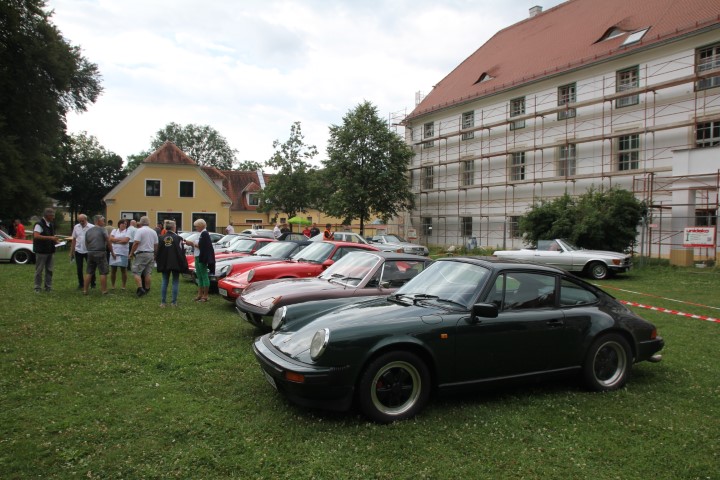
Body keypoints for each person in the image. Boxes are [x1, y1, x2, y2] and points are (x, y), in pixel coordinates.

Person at [156, 220, 187, 307]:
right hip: (175, 262)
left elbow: (159, 251)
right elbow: (181, 252)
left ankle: (163, 302)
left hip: (165, 262)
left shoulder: (161, 238)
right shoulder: (178, 238)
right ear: (174, 227)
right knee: (175, 281)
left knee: (165, 281)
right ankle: (173, 302)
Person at [83, 215, 116, 295]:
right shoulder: (103, 230)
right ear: (98, 221)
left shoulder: (88, 231)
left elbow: (86, 242)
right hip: (100, 252)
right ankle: (104, 291)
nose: (104, 222)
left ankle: (85, 290)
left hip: (90, 252)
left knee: (89, 272)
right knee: (103, 272)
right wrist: (112, 252)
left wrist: (89, 249)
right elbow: (108, 242)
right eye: (103, 221)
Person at [185, 218, 215, 302]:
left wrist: (191, 243)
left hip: (202, 257)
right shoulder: (201, 233)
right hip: (197, 256)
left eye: (197, 226)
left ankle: (205, 295)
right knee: (199, 276)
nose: (196, 228)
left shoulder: (204, 234)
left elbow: (203, 246)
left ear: (201, 226)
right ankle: (199, 294)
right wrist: (193, 244)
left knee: (204, 276)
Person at [130, 216, 159, 297]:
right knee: (148, 273)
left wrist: (131, 253)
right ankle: (147, 288)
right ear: (148, 222)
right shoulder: (153, 231)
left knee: (136, 272)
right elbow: (156, 244)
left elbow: (136, 243)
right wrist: (155, 254)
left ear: (141, 222)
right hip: (151, 253)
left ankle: (140, 288)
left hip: (141, 253)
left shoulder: (139, 231)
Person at [33, 207, 58, 293]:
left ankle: (48, 287)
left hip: (50, 250)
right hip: (41, 251)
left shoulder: (50, 225)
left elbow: (51, 237)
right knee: (39, 270)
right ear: (47, 215)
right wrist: (50, 238)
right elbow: (36, 236)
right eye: (52, 215)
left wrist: (55, 241)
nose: (53, 217)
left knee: (50, 270)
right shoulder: (39, 224)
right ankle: (37, 287)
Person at [70, 214, 95, 290]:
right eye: (79, 221)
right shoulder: (76, 227)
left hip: (89, 251)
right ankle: (81, 283)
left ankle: (92, 283)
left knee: (91, 267)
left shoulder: (92, 227)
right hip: (78, 250)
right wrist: (72, 251)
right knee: (79, 268)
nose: (81, 222)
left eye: (82, 221)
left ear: (86, 219)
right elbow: (74, 239)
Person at [109, 219, 131, 289]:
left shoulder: (128, 231)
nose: (124, 225)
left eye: (126, 224)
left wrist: (115, 241)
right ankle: (113, 285)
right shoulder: (114, 230)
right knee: (113, 270)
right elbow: (110, 239)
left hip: (123, 253)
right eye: (123, 223)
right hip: (114, 252)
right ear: (119, 224)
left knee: (123, 270)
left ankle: (123, 285)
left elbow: (126, 240)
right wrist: (120, 240)